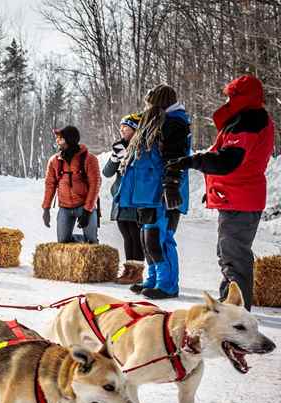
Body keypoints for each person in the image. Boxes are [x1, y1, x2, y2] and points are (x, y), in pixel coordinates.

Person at [166, 75, 274, 310]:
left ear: (242, 97)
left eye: (232, 96)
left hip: (241, 199)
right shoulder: (246, 119)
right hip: (237, 196)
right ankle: (230, 304)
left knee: (234, 258)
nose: (227, 100)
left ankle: (236, 311)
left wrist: (191, 161)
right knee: (227, 255)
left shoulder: (249, 121)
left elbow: (227, 161)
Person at [119, 84, 191, 300]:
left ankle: (167, 284)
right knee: (146, 238)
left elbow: (175, 159)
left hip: (162, 193)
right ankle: (153, 279)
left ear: (160, 103)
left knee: (158, 239)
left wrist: (171, 186)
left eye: (150, 103)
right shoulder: (157, 123)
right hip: (147, 192)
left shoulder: (174, 124)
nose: (146, 107)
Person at [41, 127, 101, 245]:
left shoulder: (89, 159)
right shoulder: (54, 161)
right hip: (65, 207)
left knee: (92, 242)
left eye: (61, 139)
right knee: (63, 242)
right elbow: (50, 185)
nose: (57, 141)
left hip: (85, 206)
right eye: (57, 139)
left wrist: (88, 211)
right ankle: (80, 242)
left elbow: (95, 185)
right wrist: (46, 208)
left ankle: (87, 241)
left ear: (70, 140)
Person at [103, 113, 144, 284]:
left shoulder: (143, 148)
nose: (122, 131)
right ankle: (129, 270)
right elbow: (107, 172)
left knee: (135, 234)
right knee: (126, 234)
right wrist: (115, 156)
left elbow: (139, 171)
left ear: (136, 130)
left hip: (134, 197)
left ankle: (137, 272)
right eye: (121, 127)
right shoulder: (119, 147)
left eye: (126, 128)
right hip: (120, 197)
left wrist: (127, 157)